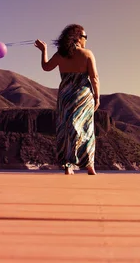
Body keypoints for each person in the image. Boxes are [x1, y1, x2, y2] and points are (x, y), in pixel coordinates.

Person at [34, 24, 100, 175]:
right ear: (77, 37)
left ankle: (68, 165)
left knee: (66, 129)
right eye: (85, 37)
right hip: (83, 95)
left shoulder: (60, 55)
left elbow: (46, 67)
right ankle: (90, 166)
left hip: (65, 96)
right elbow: (94, 78)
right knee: (86, 129)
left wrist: (44, 51)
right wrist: (97, 97)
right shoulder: (87, 54)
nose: (86, 40)